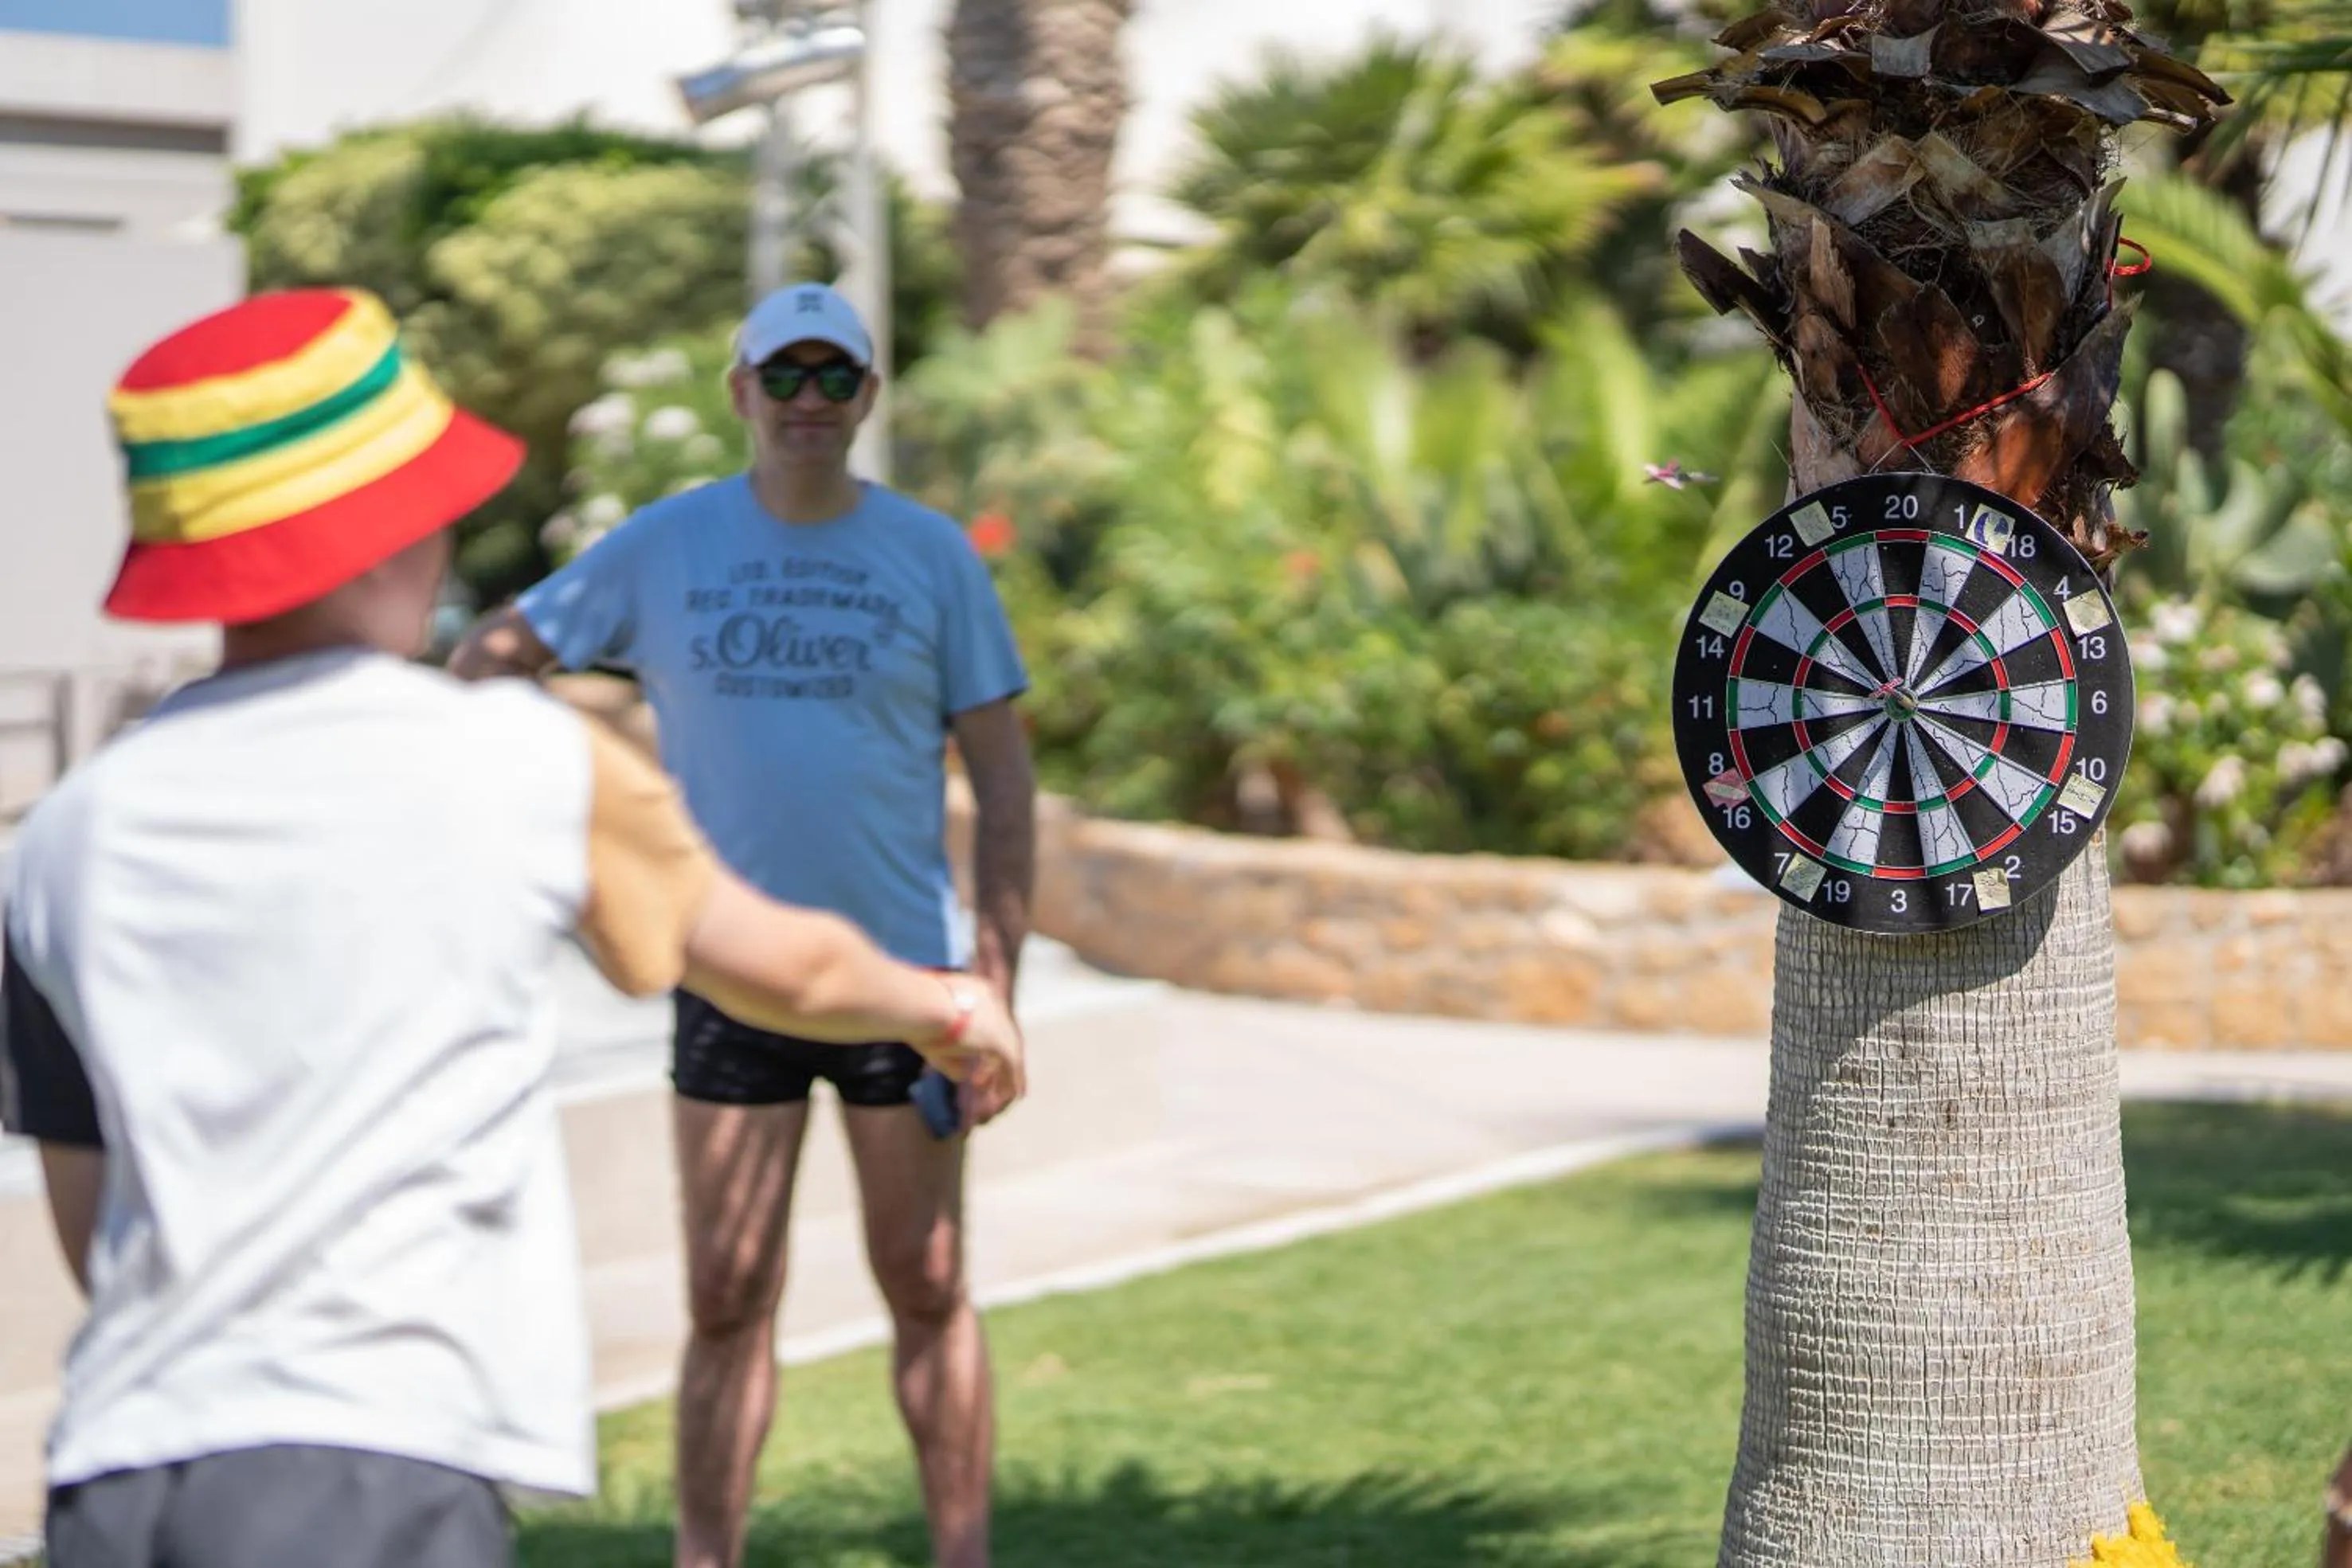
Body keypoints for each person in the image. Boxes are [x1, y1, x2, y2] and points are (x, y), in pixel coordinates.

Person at [0, 286, 1024, 1568]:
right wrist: (955, 1009)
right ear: (392, 539)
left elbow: (94, 1215)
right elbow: (795, 967)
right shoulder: (517, 766)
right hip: (377, 1466)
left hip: (114, 1470)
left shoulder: (61, 838)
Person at [447, 280, 1035, 1568]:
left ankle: (964, 1555)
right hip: (728, 983)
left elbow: (1003, 778)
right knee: (724, 1298)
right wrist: (569, 789)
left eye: (837, 378)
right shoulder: (663, 545)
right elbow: (489, 663)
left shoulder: (931, 554)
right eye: (787, 377)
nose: (810, 403)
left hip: (901, 986)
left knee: (927, 1284)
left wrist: (996, 973)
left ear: (869, 397)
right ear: (741, 393)